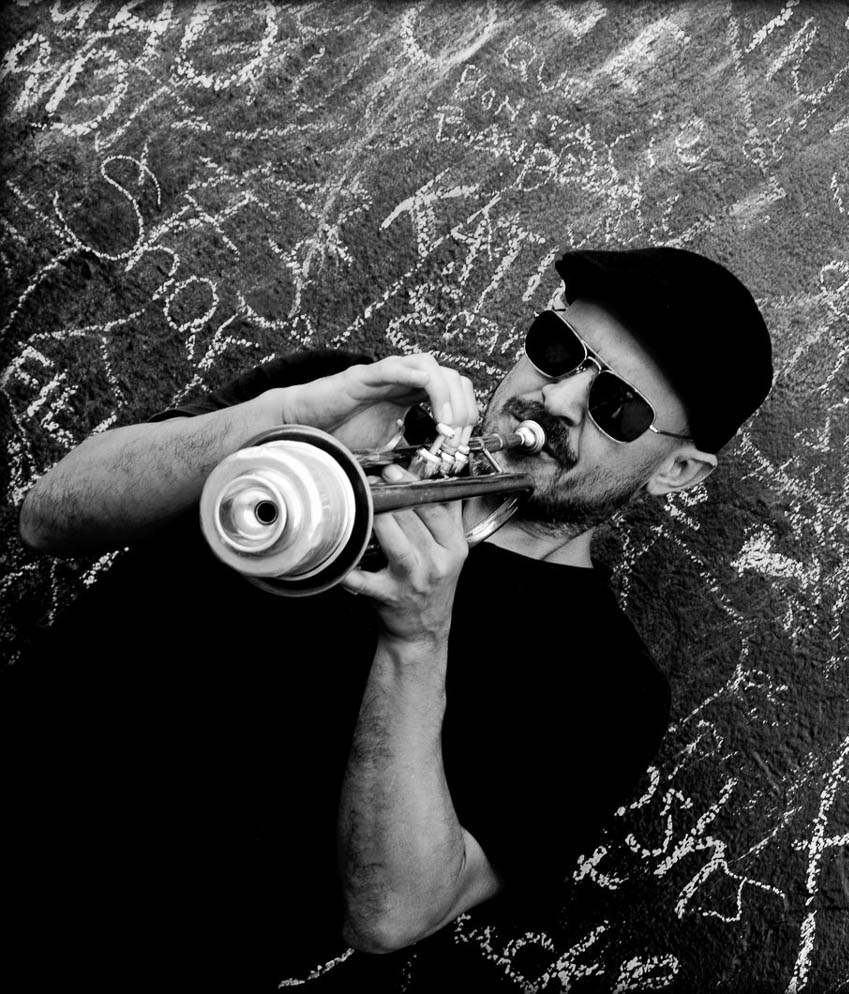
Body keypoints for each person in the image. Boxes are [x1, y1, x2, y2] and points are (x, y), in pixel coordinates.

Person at [7, 246, 774, 990]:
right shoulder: (346, 397)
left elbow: (393, 914)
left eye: (619, 408)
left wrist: (418, 637)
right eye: (558, 350)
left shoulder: (607, 689)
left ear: (676, 469)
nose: (560, 399)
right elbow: (51, 517)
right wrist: (286, 416)